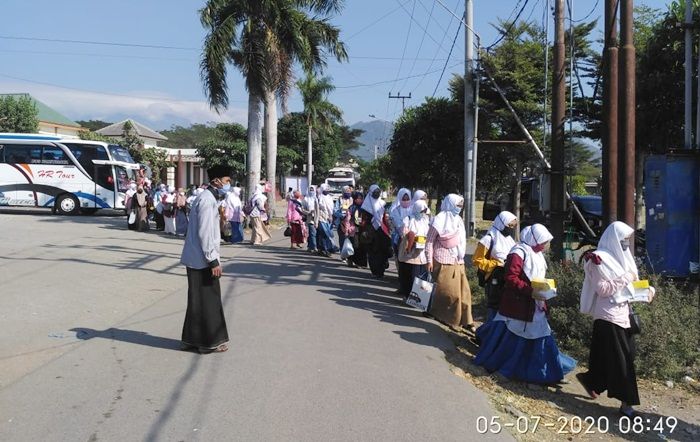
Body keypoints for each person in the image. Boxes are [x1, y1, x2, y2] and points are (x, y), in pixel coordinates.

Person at [474, 224, 576, 384]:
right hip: (519, 304)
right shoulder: (518, 252)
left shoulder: (537, 254)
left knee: (541, 335)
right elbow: (511, 278)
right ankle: (509, 370)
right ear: (534, 239)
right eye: (543, 241)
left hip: (535, 304)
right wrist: (530, 291)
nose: (545, 245)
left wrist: (544, 290)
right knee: (516, 338)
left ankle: (550, 371)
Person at [577, 221, 655, 418]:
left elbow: (633, 285)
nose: (626, 243)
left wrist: (647, 291)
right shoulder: (597, 259)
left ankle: (591, 381)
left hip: (624, 315)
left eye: (627, 239)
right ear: (613, 239)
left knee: (608, 356)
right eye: (622, 239)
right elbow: (602, 289)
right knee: (623, 362)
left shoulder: (624, 259)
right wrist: (625, 279)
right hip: (608, 316)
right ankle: (626, 404)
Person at [180, 174, 230, 354]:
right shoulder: (208, 201)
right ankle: (209, 342)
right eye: (226, 181)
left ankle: (190, 340)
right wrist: (213, 260)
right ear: (216, 181)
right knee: (209, 301)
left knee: (196, 300)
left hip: (194, 258)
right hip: (203, 260)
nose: (228, 185)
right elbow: (206, 233)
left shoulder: (203, 197)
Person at [425, 194, 474, 332]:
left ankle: (466, 320)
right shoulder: (439, 220)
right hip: (442, 261)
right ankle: (450, 319)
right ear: (450, 204)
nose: (459, 208)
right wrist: (429, 261)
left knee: (464, 293)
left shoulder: (458, 220)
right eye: (457, 205)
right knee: (451, 294)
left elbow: (461, 241)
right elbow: (429, 242)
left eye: (461, 206)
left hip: (458, 260)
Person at [472, 211, 518, 321]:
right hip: (493, 278)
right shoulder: (489, 239)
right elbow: (477, 260)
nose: (511, 228)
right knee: (494, 306)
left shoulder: (509, 239)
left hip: (506, 276)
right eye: (509, 225)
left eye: (513, 226)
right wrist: (495, 264)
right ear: (502, 223)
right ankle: (489, 332)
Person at [397, 199, 430, 298]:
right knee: (407, 276)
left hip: (420, 253)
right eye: (421, 211)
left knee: (418, 277)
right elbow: (404, 232)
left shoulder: (425, 220)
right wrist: (411, 237)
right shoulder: (408, 219)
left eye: (424, 211)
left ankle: (417, 297)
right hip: (409, 252)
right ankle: (407, 295)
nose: (422, 213)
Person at [359, 184, 392, 278]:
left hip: (382, 231)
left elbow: (385, 218)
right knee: (373, 252)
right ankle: (375, 271)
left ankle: (381, 270)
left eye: (378, 192)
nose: (377, 194)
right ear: (370, 193)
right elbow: (363, 220)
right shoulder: (365, 205)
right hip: (370, 232)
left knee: (383, 250)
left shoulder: (382, 203)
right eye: (375, 192)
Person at [390, 188, 413, 291]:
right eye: (403, 198)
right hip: (399, 239)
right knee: (401, 262)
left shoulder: (414, 209)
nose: (406, 200)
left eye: (407, 198)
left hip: (412, 240)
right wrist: (403, 234)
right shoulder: (395, 210)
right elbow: (397, 223)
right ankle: (402, 284)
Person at [344, 191, 367, 268]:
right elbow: (347, 220)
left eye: (361, 198)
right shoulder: (351, 208)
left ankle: (362, 263)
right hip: (354, 230)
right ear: (355, 199)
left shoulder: (364, 208)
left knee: (362, 246)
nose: (360, 200)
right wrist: (347, 231)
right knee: (355, 246)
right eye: (359, 198)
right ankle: (352, 261)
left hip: (363, 230)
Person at [335, 186, 354, 261]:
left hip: (350, 223)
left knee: (350, 239)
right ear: (343, 192)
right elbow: (335, 211)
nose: (348, 193)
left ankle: (350, 256)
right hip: (341, 223)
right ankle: (343, 255)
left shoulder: (352, 200)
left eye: (349, 191)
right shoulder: (339, 200)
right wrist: (342, 216)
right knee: (342, 240)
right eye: (346, 191)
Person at [316, 184, 335, 257]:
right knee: (324, 234)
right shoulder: (319, 198)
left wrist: (331, 216)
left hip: (329, 219)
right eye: (325, 189)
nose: (327, 191)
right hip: (321, 218)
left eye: (328, 189)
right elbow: (319, 208)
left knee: (328, 234)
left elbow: (331, 208)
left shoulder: (330, 197)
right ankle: (325, 249)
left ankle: (325, 248)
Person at [301, 186, 320, 253]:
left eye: (313, 190)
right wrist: (308, 212)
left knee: (314, 234)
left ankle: (310, 246)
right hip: (310, 219)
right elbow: (302, 209)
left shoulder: (317, 198)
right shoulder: (306, 199)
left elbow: (319, 209)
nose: (311, 191)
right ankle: (314, 247)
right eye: (310, 190)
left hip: (318, 218)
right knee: (312, 233)